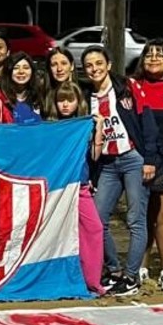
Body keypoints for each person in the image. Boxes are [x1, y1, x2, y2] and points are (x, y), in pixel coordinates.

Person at [83, 44, 160, 297]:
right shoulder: (88, 98)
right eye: (89, 65)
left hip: (133, 158)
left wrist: (150, 159)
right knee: (97, 219)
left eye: (98, 63)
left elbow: (147, 122)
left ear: (108, 65)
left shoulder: (127, 88)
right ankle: (114, 269)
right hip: (106, 164)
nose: (94, 69)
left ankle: (131, 276)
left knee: (135, 219)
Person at [132, 39, 163, 292]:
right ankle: (138, 266)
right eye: (148, 54)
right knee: (141, 216)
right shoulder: (132, 86)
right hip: (139, 161)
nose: (153, 58)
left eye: (160, 54)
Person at [49, 79, 105, 295]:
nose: (65, 105)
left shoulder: (84, 126)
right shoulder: (52, 126)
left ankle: (92, 280)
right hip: (57, 190)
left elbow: (94, 156)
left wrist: (98, 128)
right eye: (61, 100)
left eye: (69, 100)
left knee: (94, 228)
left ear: (78, 102)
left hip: (80, 187)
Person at [0, 51, 44, 124]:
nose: (21, 71)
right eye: (16, 68)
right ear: (9, 71)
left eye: (26, 68)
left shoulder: (39, 95)